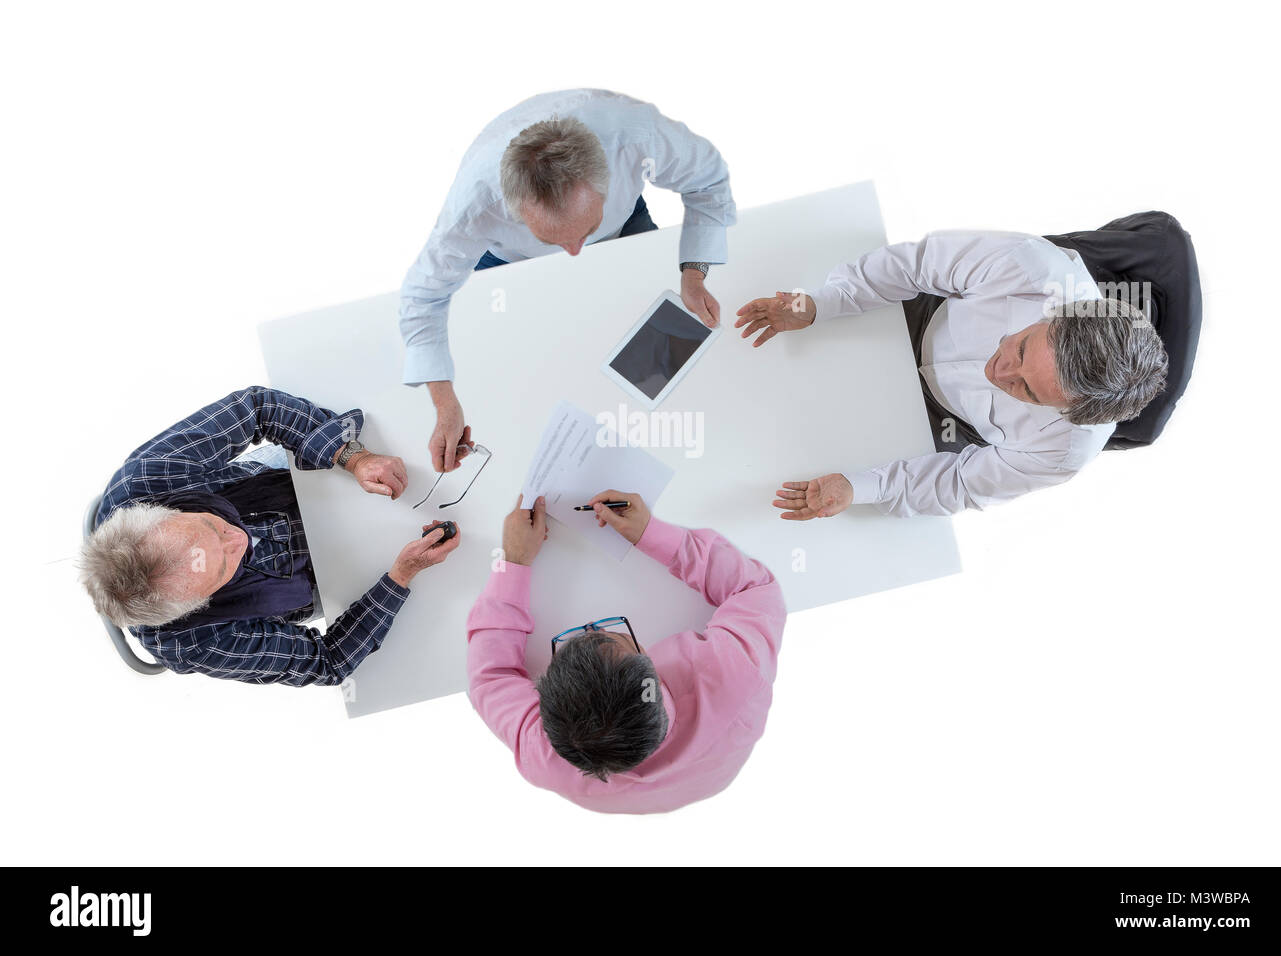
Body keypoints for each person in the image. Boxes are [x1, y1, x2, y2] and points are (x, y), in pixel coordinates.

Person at [400, 88, 736, 474]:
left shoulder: (637, 134)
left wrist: (694, 272)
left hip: (622, 227)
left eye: (586, 229)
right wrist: (445, 405)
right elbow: (422, 299)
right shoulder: (473, 206)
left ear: (604, 180)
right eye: (554, 238)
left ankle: (635, 428)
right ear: (514, 207)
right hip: (509, 257)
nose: (576, 254)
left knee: (654, 331)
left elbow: (708, 182)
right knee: (528, 357)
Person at [735, 230, 1170, 517]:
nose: (1000, 372)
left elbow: (961, 483)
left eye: (1028, 392)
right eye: (1020, 348)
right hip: (924, 314)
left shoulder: (1064, 450)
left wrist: (859, 487)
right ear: (1055, 314)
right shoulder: (1032, 267)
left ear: (1067, 412)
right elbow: (915, 266)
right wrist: (821, 304)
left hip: (941, 419)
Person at [78, 386, 459, 685]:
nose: (238, 542)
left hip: (274, 484)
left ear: (162, 514)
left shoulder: (142, 480)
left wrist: (352, 457)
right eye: (225, 567)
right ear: (196, 605)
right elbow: (329, 660)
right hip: (317, 583)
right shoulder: (188, 643)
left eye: (212, 527)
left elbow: (257, 408)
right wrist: (401, 575)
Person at [466, 491, 785, 813]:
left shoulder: (543, 756)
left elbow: (492, 676)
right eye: (613, 636)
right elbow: (753, 589)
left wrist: (513, 561)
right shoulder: (736, 674)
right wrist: (653, 534)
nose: (596, 628)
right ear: (651, 671)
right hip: (712, 778)